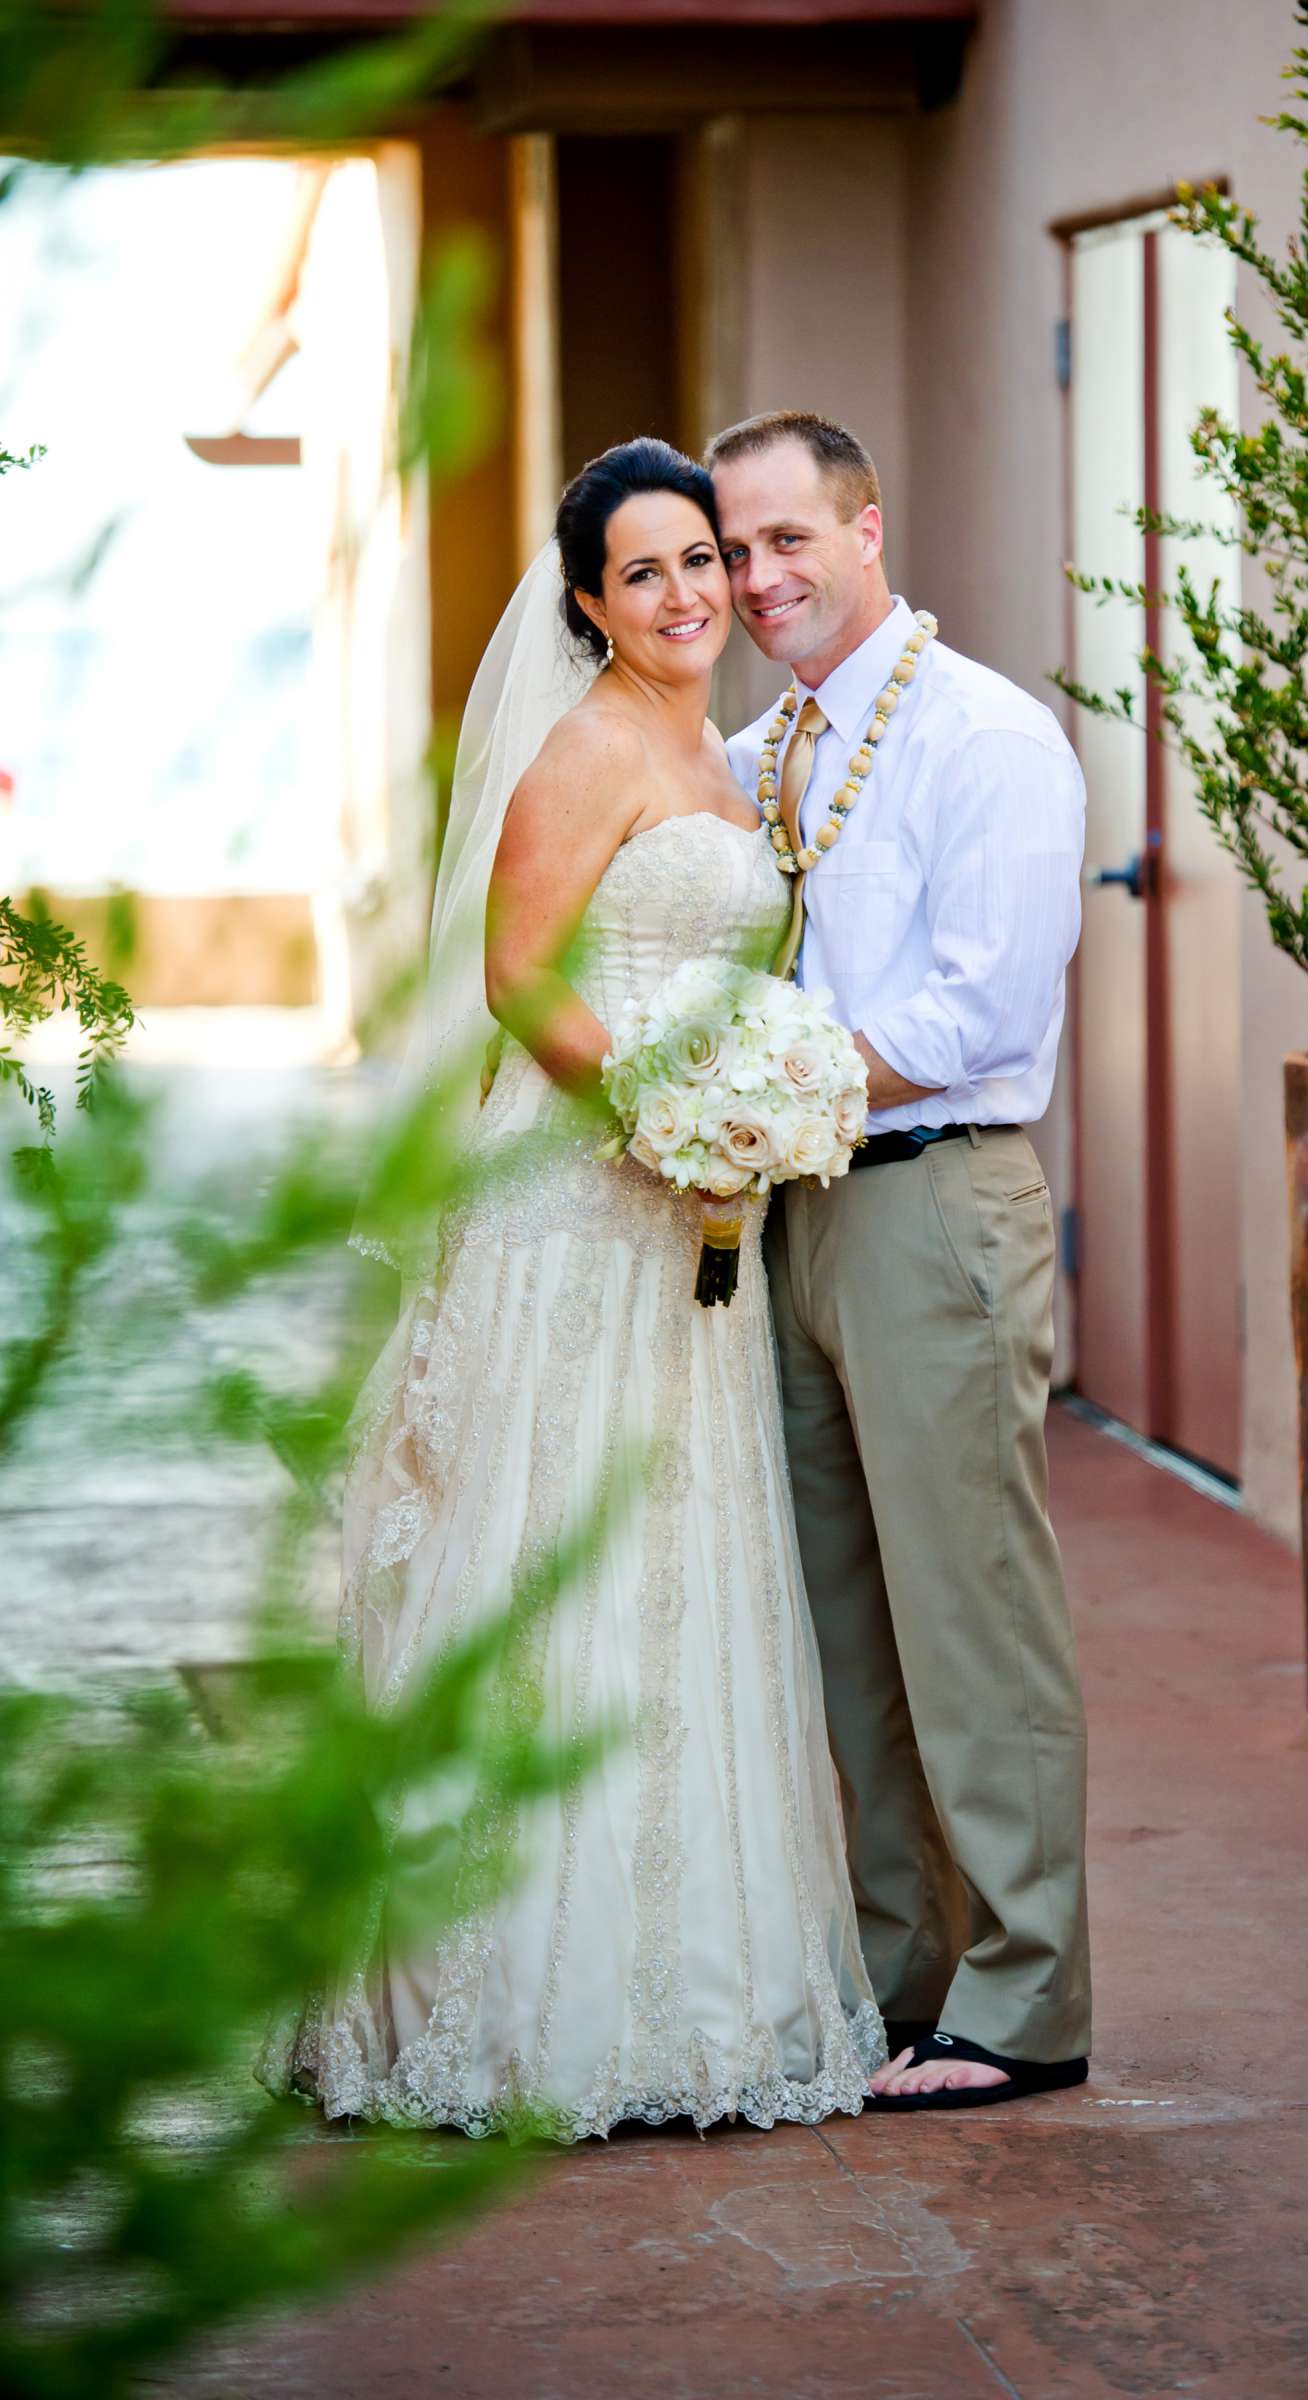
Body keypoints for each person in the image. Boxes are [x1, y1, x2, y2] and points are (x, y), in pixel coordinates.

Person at [259, 438, 884, 2141]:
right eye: (646, 575)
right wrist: (663, 1117)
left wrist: (742, 1114)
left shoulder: (719, 750)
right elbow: (519, 977)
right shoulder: (587, 748)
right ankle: (513, 2002)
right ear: (591, 605)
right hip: (572, 1204)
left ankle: (685, 1986)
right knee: (545, 1551)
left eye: (702, 561)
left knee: (682, 1561)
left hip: (695, 1217)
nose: (689, 597)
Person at [710, 410, 1091, 2110]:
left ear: (867, 531)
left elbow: (979, 1010)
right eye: (732, 552)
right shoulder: (768, 746)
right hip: (791, 1211)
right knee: (847, 1631)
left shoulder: (982, 736)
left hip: (932, 1199)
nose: (756, 577)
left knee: (970, 1617)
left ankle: (1025, 2001)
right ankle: (898, 1974)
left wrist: (761, 1079)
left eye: (787, 538)